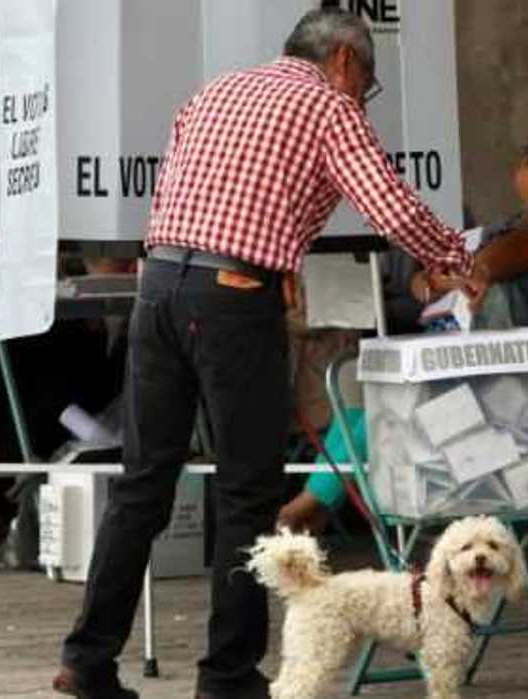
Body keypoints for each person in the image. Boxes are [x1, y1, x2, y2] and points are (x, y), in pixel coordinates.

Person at [54, 8, 479, 699]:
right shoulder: (326, 106)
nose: (360, 97)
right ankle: (226, 674)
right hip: (230, 298)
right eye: (365, 82)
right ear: (343, 60)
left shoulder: (215, 91)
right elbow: (389, 206)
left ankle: (87, 657)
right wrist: (452, 257)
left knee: (141, 482)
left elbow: (184, 197)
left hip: (158, 286)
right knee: (246, 490)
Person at [276, 129, 528, 533]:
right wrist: (434, 280)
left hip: (500, 374)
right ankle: (319, 502)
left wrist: (448, 275)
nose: (517, 166)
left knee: (384, 398)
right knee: (368, 392)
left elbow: (486, 264)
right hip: (489, 366)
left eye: (526, 157)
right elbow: (462, 270)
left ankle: (312, 503)